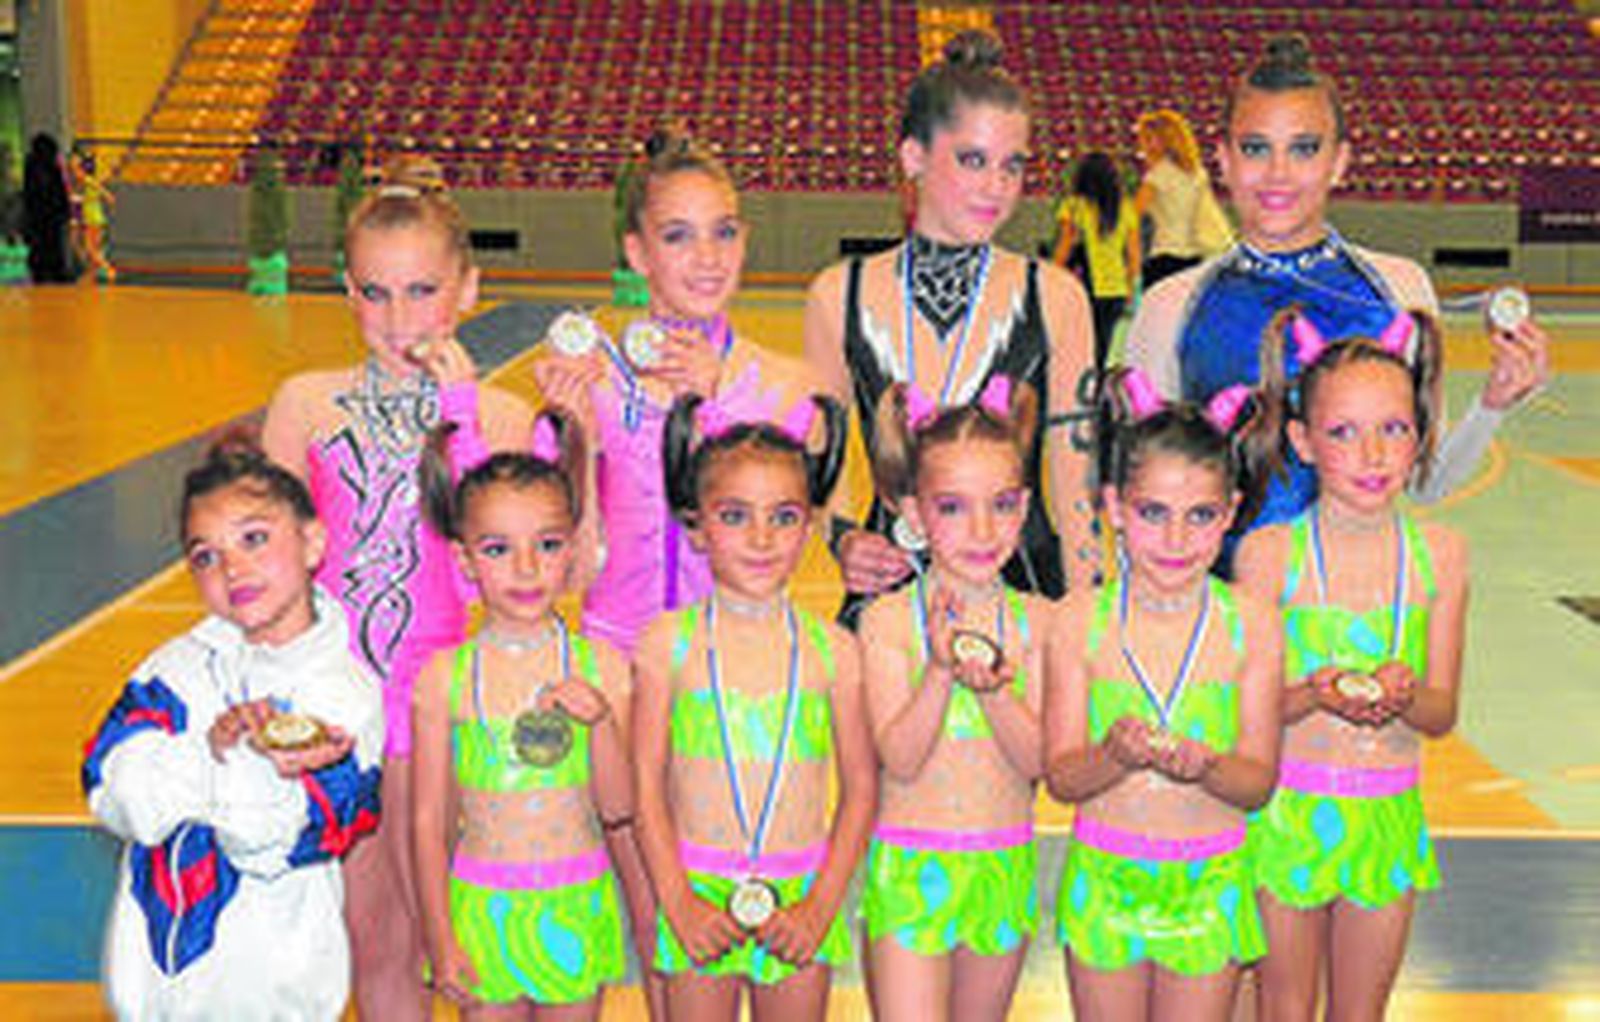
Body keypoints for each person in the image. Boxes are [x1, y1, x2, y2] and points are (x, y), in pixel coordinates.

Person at [262, 158, 535, 1021]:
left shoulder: (499, 415)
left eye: (421, 291)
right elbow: (271, 579)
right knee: (377, 941)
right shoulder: (306, 403)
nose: (398, 318)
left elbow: (501, 557)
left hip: (459, 707)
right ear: (346, 290)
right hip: (347, 709)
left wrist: (457, 407)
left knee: (466, 942)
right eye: (375, 294)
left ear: (467, 286)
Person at [1124, 35, 1549, 553]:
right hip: (1221, 619)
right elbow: (1141, 501)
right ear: (1224, 161)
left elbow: (1426, 482)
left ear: (1340, 161)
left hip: (1355, 623)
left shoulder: (1397, 290)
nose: (1278, 173)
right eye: (1256, 148)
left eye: (1304, 148)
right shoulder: (1172, 306)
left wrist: (1492, 405)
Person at [803, 29, 1097, 622]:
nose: (997, 187)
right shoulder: (839, 293)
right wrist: (842, 540)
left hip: (1026, 596)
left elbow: (1075, 488)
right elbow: (821, 455)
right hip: (890, 588)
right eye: (972, 160)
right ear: (913, 156)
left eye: (1012, 166)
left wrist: (1091, 623)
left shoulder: (1056, 296)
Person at [83, 441, 384, 1020]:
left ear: (313, 542)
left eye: (254, 538)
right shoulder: (171, 669)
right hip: (150, 1001)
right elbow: (116, 794)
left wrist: (212, 769)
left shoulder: (346, 696)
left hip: (273, 999)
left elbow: (277, 839)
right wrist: (220, 756)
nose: (233, 568)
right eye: (205, 556)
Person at [1235, 309, 1466, 1022]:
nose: (1372, 454)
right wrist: (1311, 693)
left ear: (1421, 435)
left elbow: (1442, 713)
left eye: (1393, 429)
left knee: (1361, 1013)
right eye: (1343, 432)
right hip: (1285, 816)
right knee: (1284, 1007)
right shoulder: (1270, 555)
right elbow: (1245, 712)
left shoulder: (1443, 557)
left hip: (1387, 816)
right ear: (1302, 442)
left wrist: (1404, 695)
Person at [1044, 370, 1282, 1022]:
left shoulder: (1252, 623)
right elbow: (1062, 777)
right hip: (1106, 880)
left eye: (1200, 516)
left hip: (1209, 885)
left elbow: (1258, 782)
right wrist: (1114, 756)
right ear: (1116, 506)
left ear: (1230, 512)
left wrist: (1207, 766)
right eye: (1154, 514)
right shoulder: (1077, 620)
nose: (1176, 541)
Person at [632, 393, 876, 1021]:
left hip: (801, 899)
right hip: (696, 893)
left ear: (810, 522)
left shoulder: (837, 652)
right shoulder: (667, 645)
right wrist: (677, 900)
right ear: (695, 525)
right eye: (736, 516)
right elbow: (645, 789)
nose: (763, 538)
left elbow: (861, 791)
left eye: (785, 516)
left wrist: (821, 906)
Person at [533, 128, 809, 657]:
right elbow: (566, 574)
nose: (708, 257)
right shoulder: (597, 381)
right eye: (678, 236)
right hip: (619, 656)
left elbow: (771, 550)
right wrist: (575, 444)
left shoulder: (774, 385)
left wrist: (719, 409)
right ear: (637, 252)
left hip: (735, 656)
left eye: (724, 232)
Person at [412, 413, 633, 1019]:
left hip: (575, 906)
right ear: (463, 559)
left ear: (574, 546)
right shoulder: (443, 680)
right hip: (481, 911)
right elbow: (429, 821)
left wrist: (602, 725)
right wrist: (439, 934)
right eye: (498, 549)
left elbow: (620, 808)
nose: (527, 568)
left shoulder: (604, 667)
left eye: (548, 544)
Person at [855, 375, 1048, 1022]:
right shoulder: (887, 622)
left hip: (1002, 865)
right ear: (913, 514)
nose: (983, 528)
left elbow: (1038, 763)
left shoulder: (1038, 622)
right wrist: (939, 672)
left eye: (1001, 504)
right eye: (953, 507)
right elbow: (900, 759)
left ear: (1024, 508)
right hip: (913, 866)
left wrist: (995, 693)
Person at [1053, 152, 1140, 373]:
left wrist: (1050, 275)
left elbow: (1065, 247)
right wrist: (1131, 289)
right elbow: (1133, 255)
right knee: (1102, 349)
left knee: (1076, 347)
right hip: (1116, 288)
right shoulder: (1125, 207)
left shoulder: (1074, 206)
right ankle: (1096, 395)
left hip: (1082, 286)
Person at [1132, 110, 1213, 290]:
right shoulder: (1199, 174)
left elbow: (1131, 217)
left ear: (1162, 140)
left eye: (1147, 139)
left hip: (1164, 258)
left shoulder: (1157, 176)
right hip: (1195, 258)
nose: (1142, 145)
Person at [22, 133, 73, 283]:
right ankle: (54, 272)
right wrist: (65, 210)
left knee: (43, 246)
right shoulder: (50, 166)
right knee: (52, 245)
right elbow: (58, 190)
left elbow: (30, 194)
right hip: (49, 215)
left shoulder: (32, 165)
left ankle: (44, 271)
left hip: (40, 216)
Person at [70, 146, 117, 284]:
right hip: (95, 217)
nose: (76, 171)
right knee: (92, 249)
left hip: (92, 218)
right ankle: (91, 275)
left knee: (91, 249)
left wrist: (107, 196)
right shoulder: (91, 181)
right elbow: (104, 193)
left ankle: (109, 270)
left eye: (79, 167)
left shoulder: (88, 180)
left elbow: (104, 192)